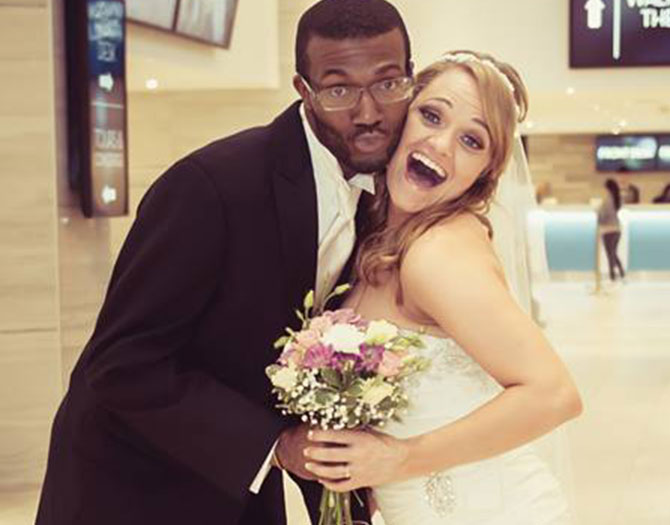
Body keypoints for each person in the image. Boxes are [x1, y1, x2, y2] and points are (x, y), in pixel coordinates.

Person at [35, 1, 412, 524]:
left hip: (239, 486)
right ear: (303, 90)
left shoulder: (390, 195)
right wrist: (277, 446)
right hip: (134, 487)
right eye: (339, 89)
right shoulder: (213, 186)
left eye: (388, 83)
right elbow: (122, 363)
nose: (368, 111)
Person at [300, 51, 583, 524]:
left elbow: (554, 394)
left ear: (483, 175)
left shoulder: (438, 254)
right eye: (431, 116)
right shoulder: (378, 239)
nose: (442, 145)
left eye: (472, 141)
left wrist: (401, 457)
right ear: (400, 118)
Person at [598, 179, 626, 281]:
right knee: (613, 252)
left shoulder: (607, 200)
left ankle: (612, 275)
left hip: (608, 229)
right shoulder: (617, 199)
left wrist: (597, 212)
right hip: (617, 229)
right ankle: (620, 271)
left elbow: (603, 215)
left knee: (610, 253)